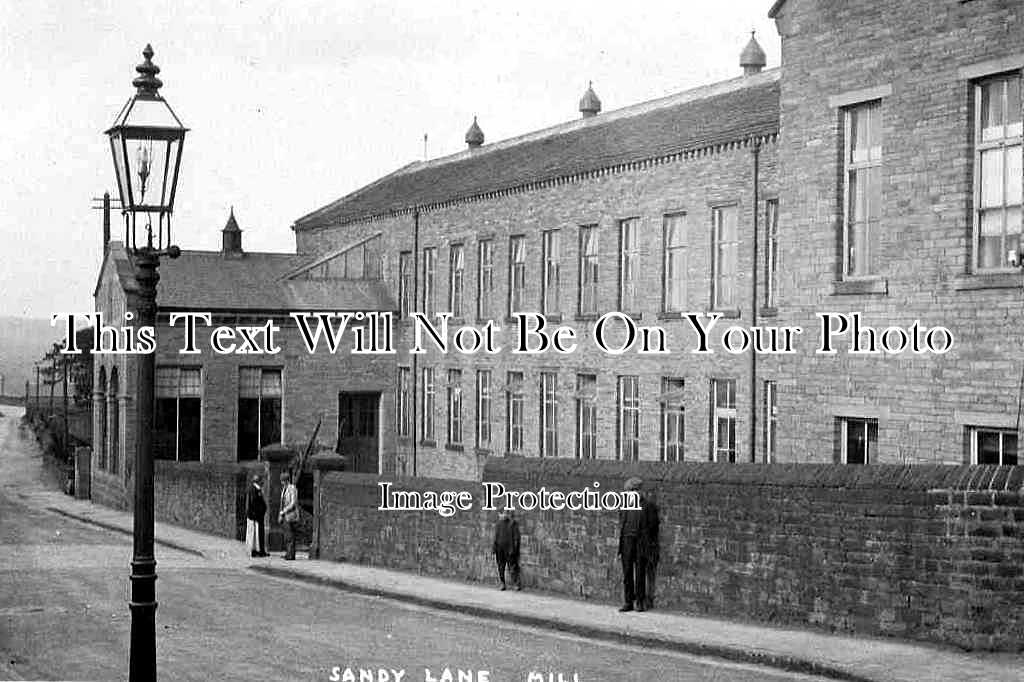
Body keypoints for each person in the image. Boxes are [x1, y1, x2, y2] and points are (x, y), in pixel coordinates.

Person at [617, 476, 649, 612]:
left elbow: (651, 527)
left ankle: (640, 601)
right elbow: (621, 523)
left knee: (640, 573)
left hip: (640, 542)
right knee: (627, 573)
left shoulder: (647, 506)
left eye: (631, 491)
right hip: (626, 542)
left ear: (638, 491)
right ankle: (628, 601)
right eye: (628, 491)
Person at [492, 510, 521, 591]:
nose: (503, 515)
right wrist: (494, 547)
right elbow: (496, 536)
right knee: (501, 567)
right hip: (500, 549)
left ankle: (516, 583)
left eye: (505, 513)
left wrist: (514, 548)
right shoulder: (498, 524)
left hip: (509, 549)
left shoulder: (512, 523)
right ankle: (502, 583)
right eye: (501, 514)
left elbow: (516, 538)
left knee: (512, 567)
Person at [642, 487, 660, 610]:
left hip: (647, 544)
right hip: (646, 544)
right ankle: (644, 599)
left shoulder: (648, 507)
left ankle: (646, 599)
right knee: (645, 572)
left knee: (646, 572)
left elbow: (652, 526)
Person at [245, 474, 268, 558]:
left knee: (254, 534)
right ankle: (257, 551)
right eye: (261, 481)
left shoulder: (253, 489)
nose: (263, 482)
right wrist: (259, 512)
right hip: (256, 516)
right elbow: (254, 503)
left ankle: (255, 550)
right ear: (258, 481)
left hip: (254, 515)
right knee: (256, 534)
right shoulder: (255, 490)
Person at [278, 470, 299, 560]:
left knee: (290, 535)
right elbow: (282, 502)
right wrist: (280, 514)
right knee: (287, 535)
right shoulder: (284, 489)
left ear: (286, 480)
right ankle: (288, 553)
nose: (281, 482)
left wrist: (284, 511)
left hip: (290, 515)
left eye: (282, 480)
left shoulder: (292, 488)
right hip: (285, 515)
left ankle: (290, 555)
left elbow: (293, 502)